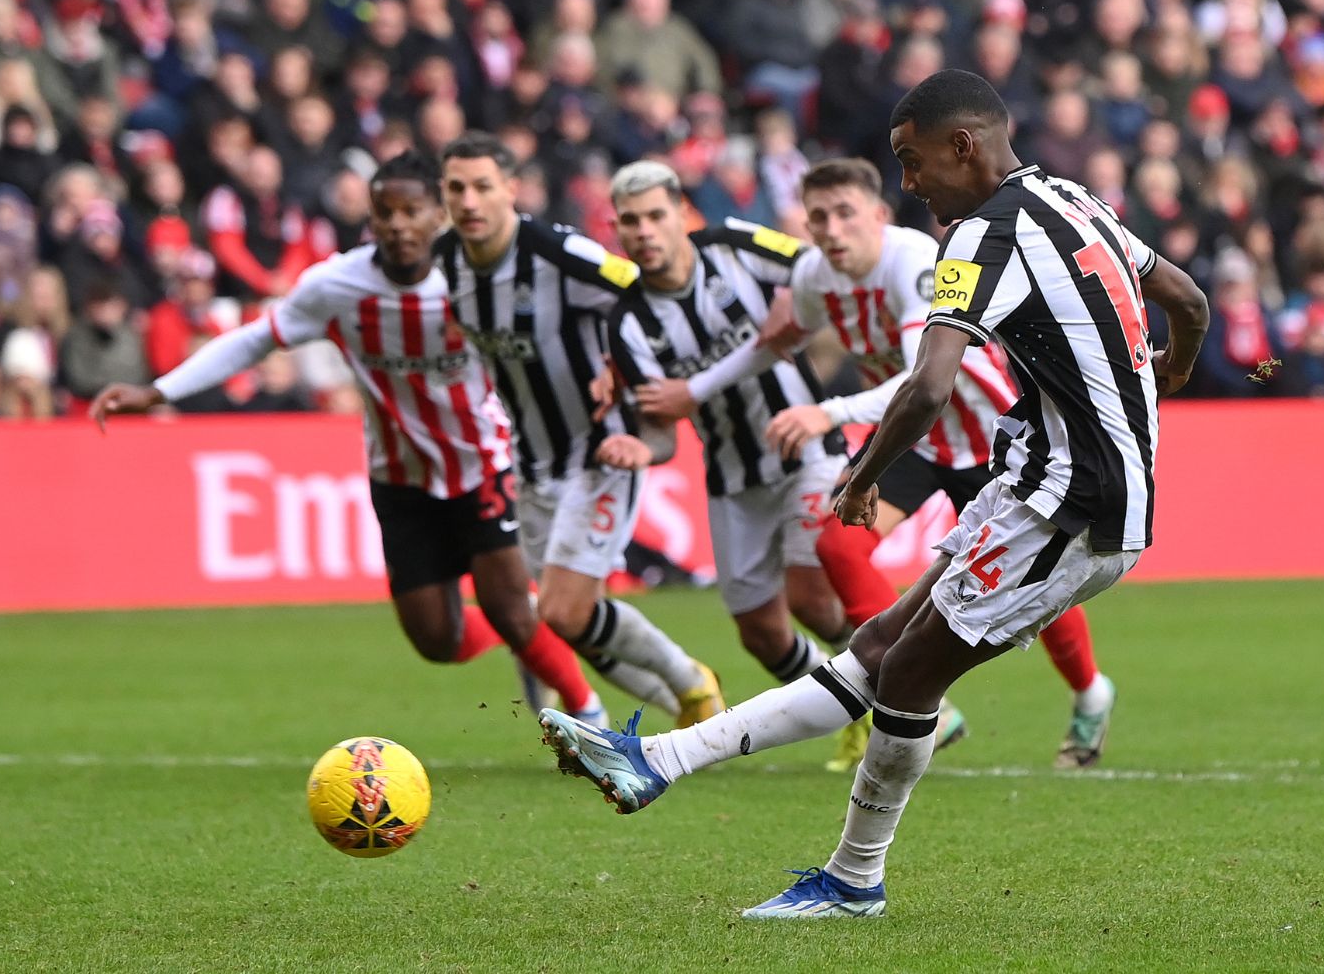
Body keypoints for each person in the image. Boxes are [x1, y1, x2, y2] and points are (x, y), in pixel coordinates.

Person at [537, 70, 1210, 918]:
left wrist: (858, 475)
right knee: (882, 644)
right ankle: (661, 761)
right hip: (1044, 481)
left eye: (912, 160)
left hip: (1073, 506)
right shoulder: (1073, 198)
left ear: (962, 145)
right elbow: (1186, 296)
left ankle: (855, 879)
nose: (909, 183)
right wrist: (1166, 376)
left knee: (908, 675)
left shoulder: (976, 241)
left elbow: (928, 387)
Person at [88, 153, 610, 725]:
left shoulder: (473, 279)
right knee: (437, 640)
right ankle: (525, 626)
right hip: (399, 478)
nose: (398, 224)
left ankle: (588, 714)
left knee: (507, 606)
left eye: (412, 211)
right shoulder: (336, 285)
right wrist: (159, 391)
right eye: (385, 212)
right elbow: (255, 340)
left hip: (480, 463)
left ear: (438, 215)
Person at [723, 156, 1119, 771]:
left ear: (878, 216)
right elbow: (775, 343)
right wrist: (687, 394)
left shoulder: (914, 260)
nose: (831, 229)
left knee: (1039, 586)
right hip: (918, 441)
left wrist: (825, 414)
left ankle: (1090, 689)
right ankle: (920, 695)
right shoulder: (812, 276)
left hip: (991, 441)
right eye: (818, 217)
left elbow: (921, 379)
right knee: (837, 546)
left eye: (845, 213)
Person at [433, 133, 724, 726]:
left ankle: (690, 679)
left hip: (603, 450)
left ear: (510, 191)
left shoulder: (555, 252)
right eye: (456, 188)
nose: (470, 201)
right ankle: (685, 707)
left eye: (483, 186)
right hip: (531, 461)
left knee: (565, 610)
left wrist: (622, 365)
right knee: (571, 617)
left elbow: (644, 288)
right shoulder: (444, 262)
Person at [591, 159, 859, 691]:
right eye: (630, 221)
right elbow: (662, 427)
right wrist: (645, 451)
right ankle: (851, 701)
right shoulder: (628, 321)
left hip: (809, 448)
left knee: (810, 592)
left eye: (654, 216)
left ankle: (907, 699)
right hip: (732, 477)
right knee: (761, 634)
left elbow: (816, 270)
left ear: (680, 214)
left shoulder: (734, 243)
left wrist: (797, 297)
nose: (643, 231)